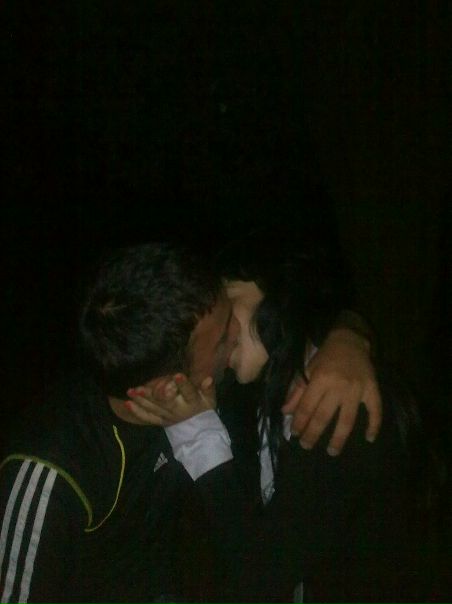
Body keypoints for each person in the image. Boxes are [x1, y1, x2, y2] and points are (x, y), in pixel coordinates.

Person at [0, 241, 380, 603]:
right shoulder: (52, 471)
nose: (235, 337)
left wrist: (348, 337)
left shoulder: (205, 393)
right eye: (223, 338)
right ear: (168, 387)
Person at [128, 234, 426, 603]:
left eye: (230, 306)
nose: (224, 333)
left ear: (282, 296)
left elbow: (259, 579)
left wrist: (194, 430)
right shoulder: (265, 389)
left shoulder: (341, 407)